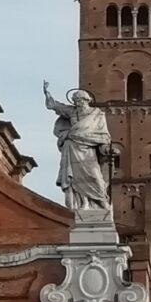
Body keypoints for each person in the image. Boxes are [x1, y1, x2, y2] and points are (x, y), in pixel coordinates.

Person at [42, 82, 112, 220]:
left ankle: (102, 203)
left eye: (79, 100)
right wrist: (47, 93)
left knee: (95, 177)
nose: (77, 103)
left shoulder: (97, 114)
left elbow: (103, 135)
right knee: (75, 179)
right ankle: (84, 203)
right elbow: (56, 106)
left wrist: (107, 149)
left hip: (88, 150)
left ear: (87, 100)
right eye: (75, 101)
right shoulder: (72, 111)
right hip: (72, 148)